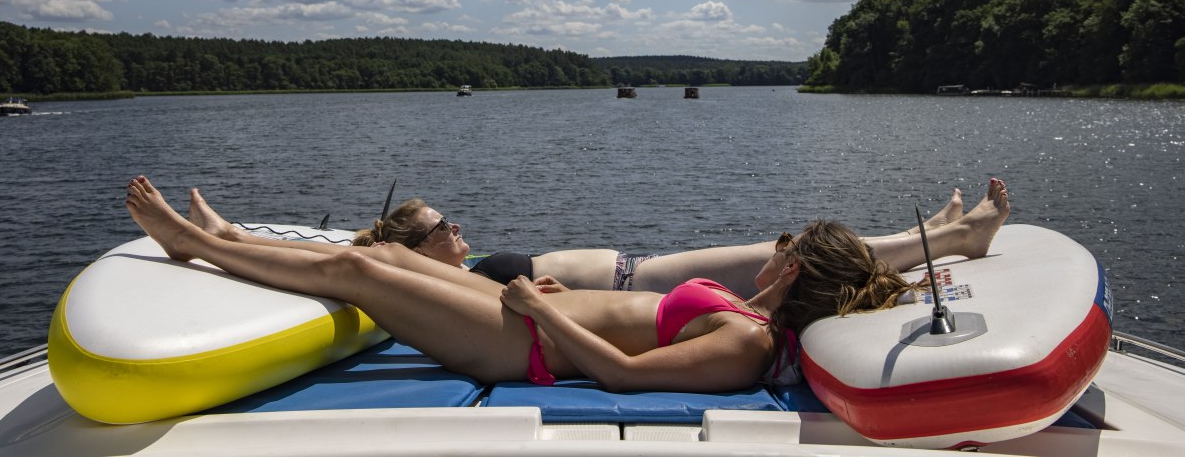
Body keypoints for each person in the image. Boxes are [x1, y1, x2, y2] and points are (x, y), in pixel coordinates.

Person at [125, 176, 1010, 393]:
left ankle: (194, 247)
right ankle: (232, 236)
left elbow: (622, 376)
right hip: (536, 315)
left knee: (359, 270)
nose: (773, 246)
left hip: (525, 346)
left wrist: (532, 315)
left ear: (797, 270)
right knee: (389, 258)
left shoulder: (746, 340)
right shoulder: (744, 311)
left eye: (786, 245)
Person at [345, 188, 969, 295]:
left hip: (640, 269)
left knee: (796, 248)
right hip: (643, 283)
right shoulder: (455, 280)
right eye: (441, 227)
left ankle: (934, 232)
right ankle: (948, 237)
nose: (456, 228)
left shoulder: (470, 267)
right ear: (415, 248)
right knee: (799, 252)